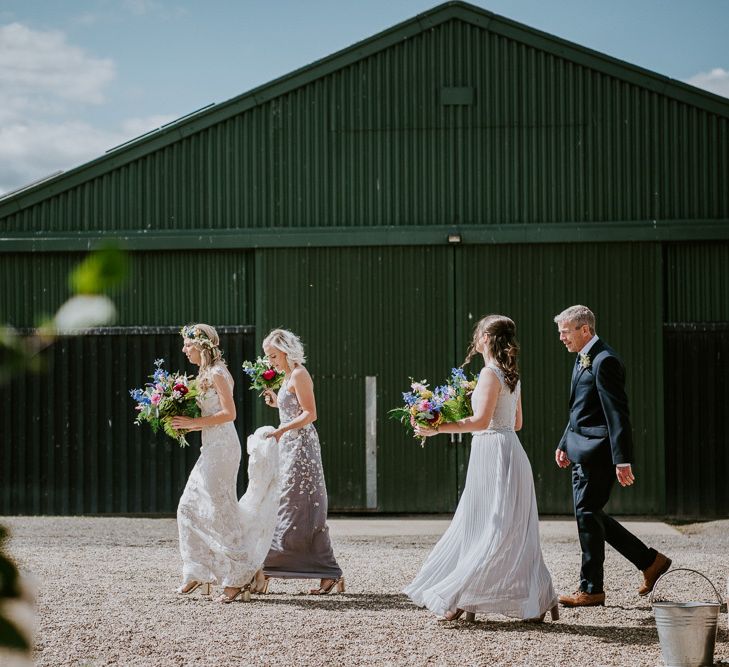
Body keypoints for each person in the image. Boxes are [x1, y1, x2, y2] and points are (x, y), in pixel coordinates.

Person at [404, 315, 557, 623]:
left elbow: (479, 422)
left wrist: (437, 428)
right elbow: (516, 423)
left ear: (486, 338)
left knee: (487, 526)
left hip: (491, 452)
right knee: (506, 528)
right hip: (509, 449)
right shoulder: (511, 374)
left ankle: (463, 594)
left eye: (477, 334)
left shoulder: (489, 374)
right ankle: (539, 598)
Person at [554, 305, 671, 607]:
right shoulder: (582, 358)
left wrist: (622, 459)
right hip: (581, 449)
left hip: (599, 453)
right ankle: (649, 562)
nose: (562, 338)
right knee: (589, 514)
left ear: (585, 330)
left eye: (565, 332)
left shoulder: (605, 361)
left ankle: (592, 588)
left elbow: (617, 413)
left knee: (588, 513)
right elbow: (580, 409)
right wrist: (565, 442)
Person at [171, 324, 280, 603]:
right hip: (211, 446)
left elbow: (229, 413)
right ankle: (198, 572)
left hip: (223, 448)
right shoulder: (204, 373)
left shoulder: (218, 372)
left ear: (202, 346)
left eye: (188, 345)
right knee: (188, 507)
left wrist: (194, 423)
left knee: (221, 512)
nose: (184, 350)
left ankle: (239, 575)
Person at [253, 328, 344, 595]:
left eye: (273, 356)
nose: (271, 361)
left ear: (286, 350)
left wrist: (281, 430)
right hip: (289, 445)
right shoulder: (287, 377)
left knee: (297, 505)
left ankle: (318, 570)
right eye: (268, 357)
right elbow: (292, 408)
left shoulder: (300, 374)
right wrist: (276, 405)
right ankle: (315, 569)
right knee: (287, 503)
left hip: (302, 448)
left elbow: (310, 414)